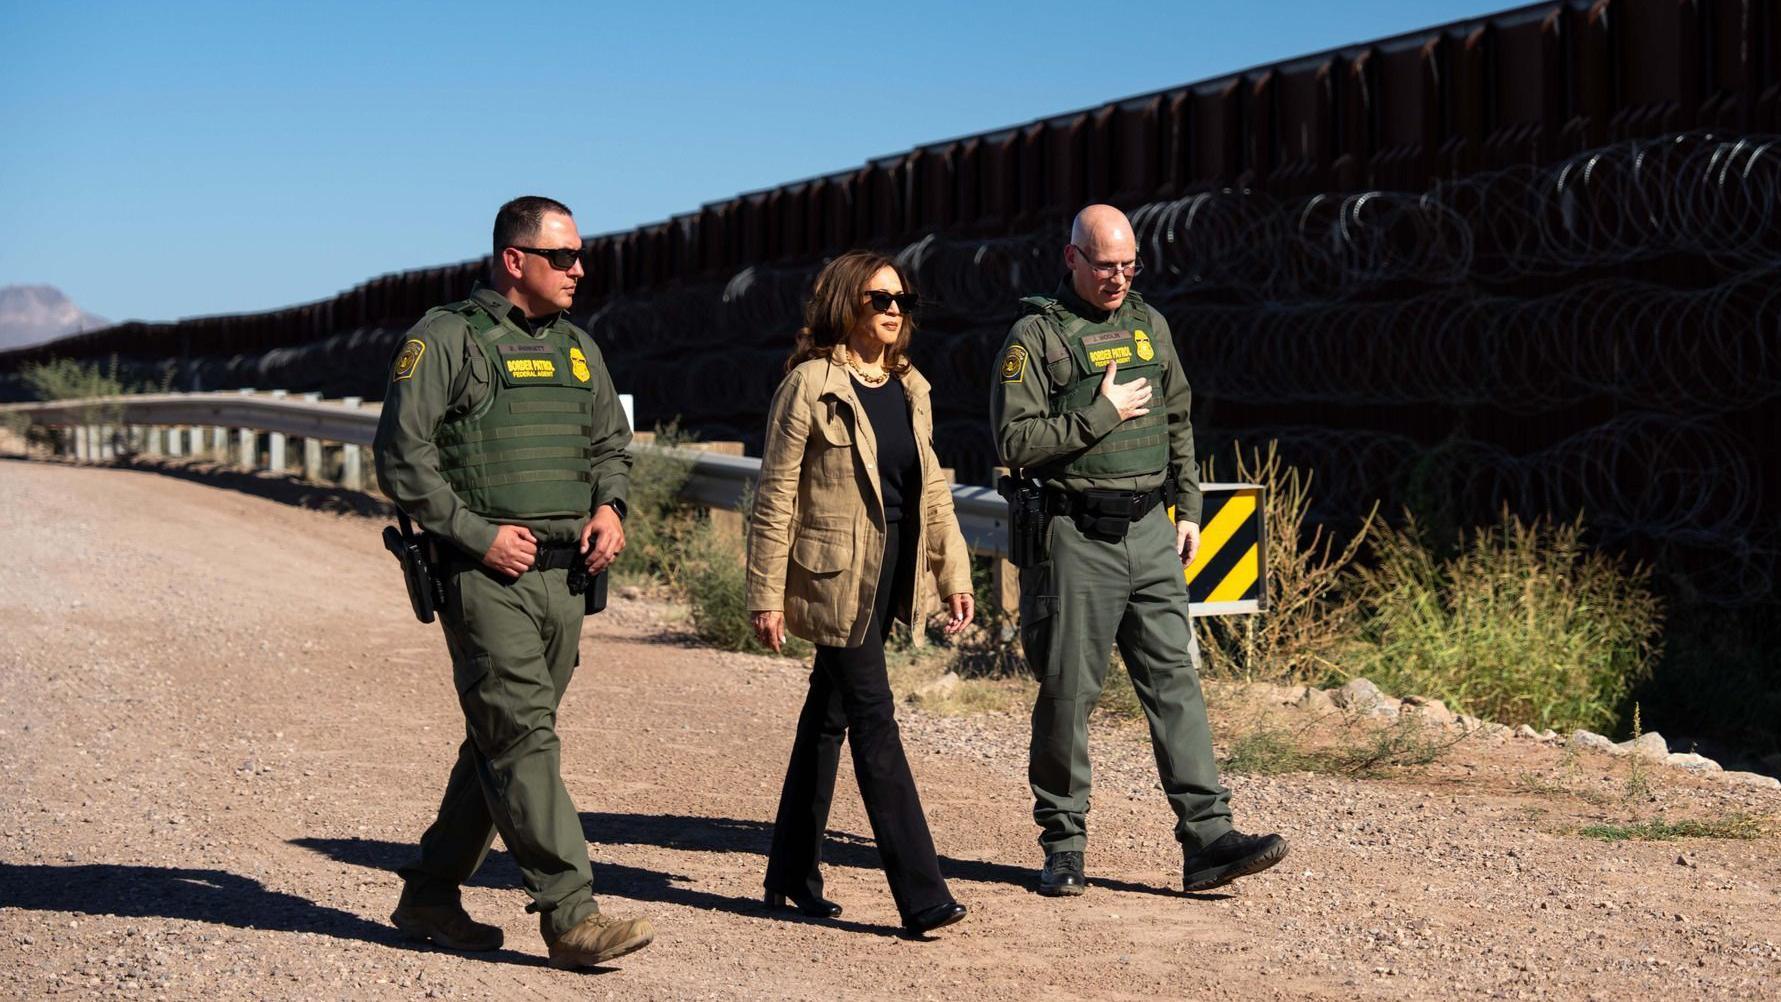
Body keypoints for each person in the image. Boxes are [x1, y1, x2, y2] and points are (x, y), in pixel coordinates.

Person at [373, 196, 654, 968]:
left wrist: (610, 506)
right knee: (524, 735)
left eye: (578, 256)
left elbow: (611, 445)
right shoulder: (447, 339)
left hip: (567, 579)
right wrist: (476, 535)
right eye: (562, 257)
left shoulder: (577, 348)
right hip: (482, 575)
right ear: (514, 260)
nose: (578, 270)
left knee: (500, 740)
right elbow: (402, 457)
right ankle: (571, 914)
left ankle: (429, 892)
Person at [991, 204, 1288, 897]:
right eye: (1105, 266)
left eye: (1129, 266)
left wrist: (1188, 505)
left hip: (1152, 532)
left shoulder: (1149, 326)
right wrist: (1101, 412)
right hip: (1075, 537)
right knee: (1069, 695)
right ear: (1071, 260)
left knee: (1176, 686)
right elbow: (1014, 443)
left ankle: (1208, 840)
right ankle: (1063, 846)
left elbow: (1178, 417)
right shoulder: (1033, 338)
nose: (1118, 278)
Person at [746, 250, 976, 936]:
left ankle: (789, 873)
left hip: (895, 571)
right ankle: (921, 891)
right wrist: (764, 593)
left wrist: (952, 572)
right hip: (836, 575)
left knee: (828, 717)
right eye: (880, 299)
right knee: (874, 720)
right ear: (847, 305)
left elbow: (931, 488)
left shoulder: (911, 386)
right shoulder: (810, 386)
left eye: (903, 298)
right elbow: (776, 493)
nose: (895, 310)